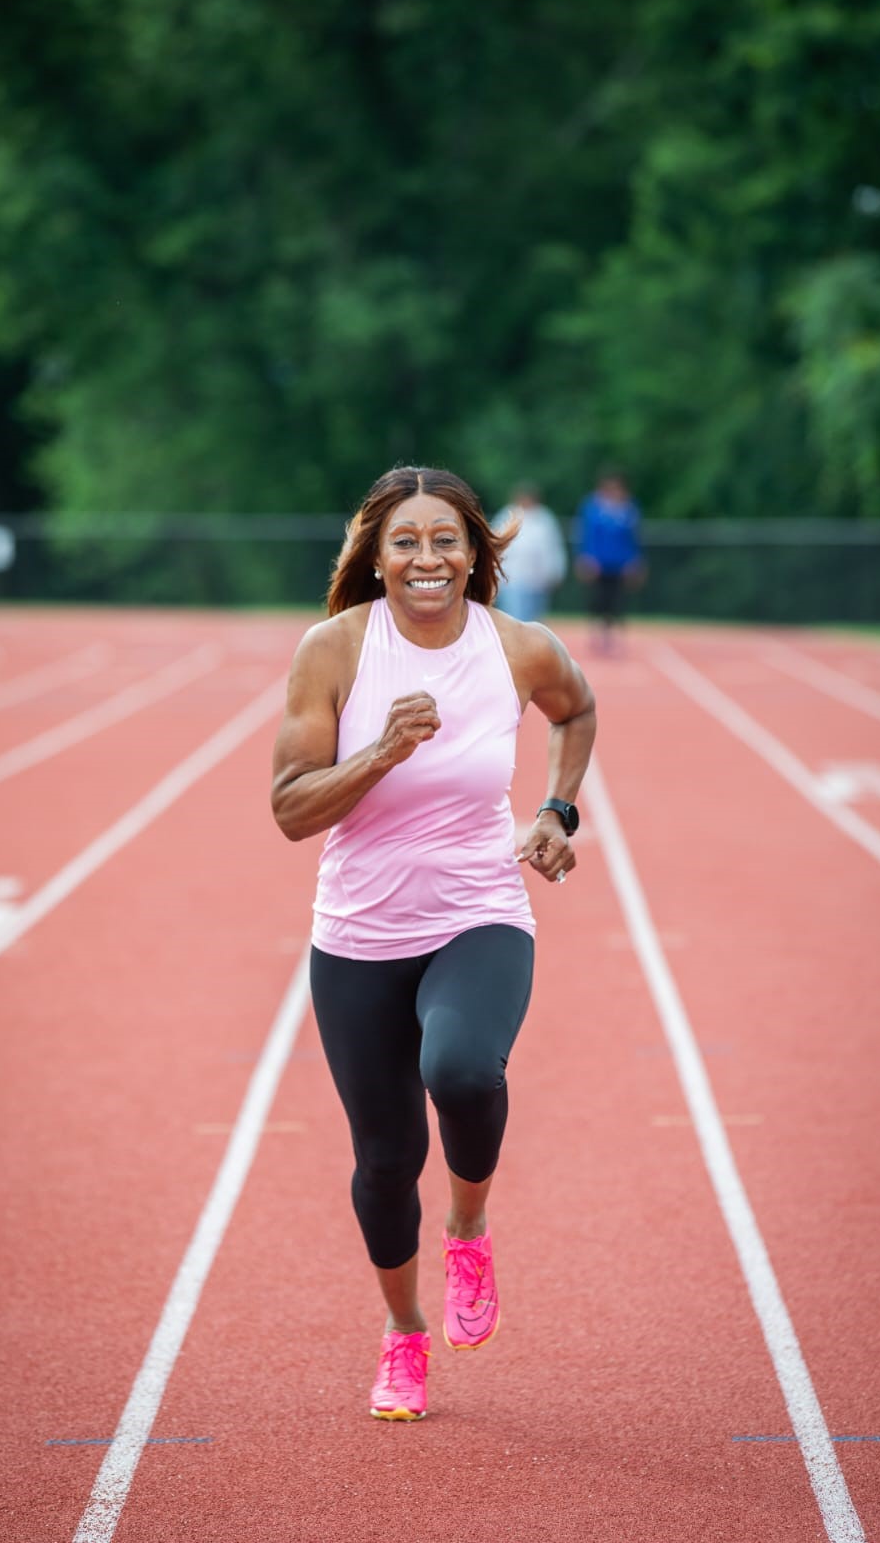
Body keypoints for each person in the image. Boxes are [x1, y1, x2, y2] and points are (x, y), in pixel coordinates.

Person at [271, 465, 596, 1422]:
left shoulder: (517, 649)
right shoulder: (332, 651)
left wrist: (556, 809)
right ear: (375, 555)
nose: (427, 558)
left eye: (445, 539)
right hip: (360, 933)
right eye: (405, 541)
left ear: (475, 552)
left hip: (479, 909)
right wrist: (379, 753)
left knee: (461, 1068)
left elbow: (576, 709)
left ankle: (468, 1227)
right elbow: (291, 811)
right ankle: (404, 1335)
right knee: (383, 1158)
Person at [573, 468, 645, 652]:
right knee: (597, 600)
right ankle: (596, 635)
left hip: (620, 565)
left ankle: (613, 637)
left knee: (617, 601)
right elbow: (586, 535)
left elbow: (634, 538)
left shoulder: (629, 509)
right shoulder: (593, 508)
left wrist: (634, 561)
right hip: (598, 564)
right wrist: (586, 558)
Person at [490, 484, 568, 621]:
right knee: (514, 617)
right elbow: (495, 546)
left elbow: (553, 548)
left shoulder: (544, 519)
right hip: (512, 578)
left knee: (535, 619)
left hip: (539, 580)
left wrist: (555, 571)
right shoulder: (506, 515)